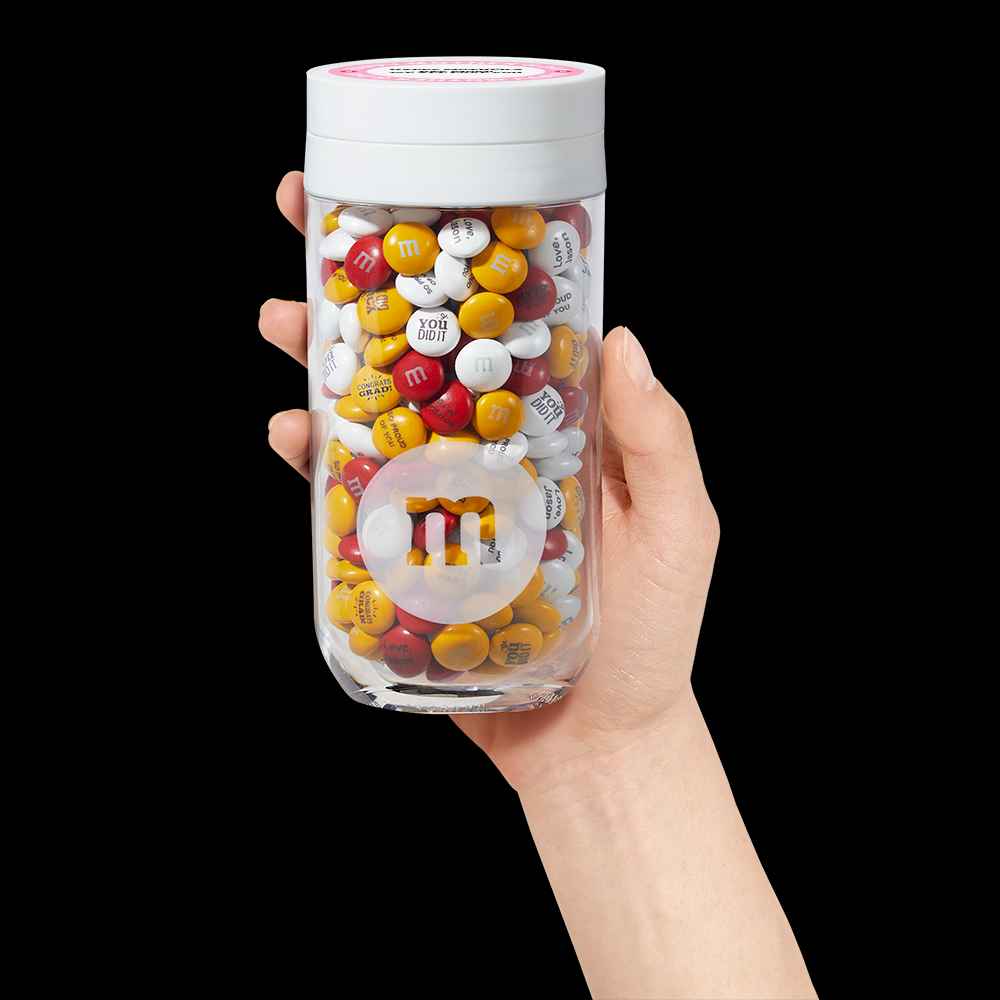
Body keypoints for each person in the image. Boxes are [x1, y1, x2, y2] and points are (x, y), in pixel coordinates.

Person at [260, 172, 817, 999]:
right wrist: (611, 754)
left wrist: (620, 739)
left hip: (545, 651)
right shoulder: (404, 263)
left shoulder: (534, 259)